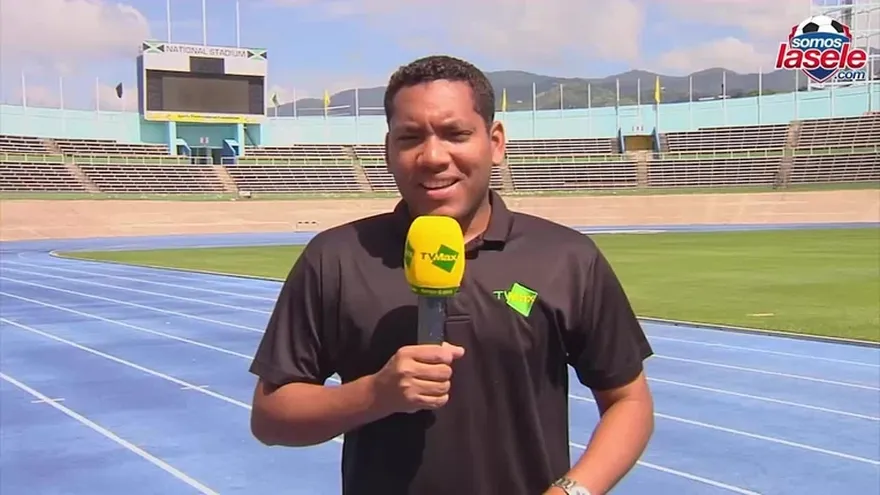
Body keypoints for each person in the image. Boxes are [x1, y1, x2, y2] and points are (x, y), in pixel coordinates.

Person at [248, 54, 655, 495]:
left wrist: (572, 491)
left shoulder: (567, 257)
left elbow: (629, 402)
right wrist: (375, 394)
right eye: (410, 137)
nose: (433, 157)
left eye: (455, 134)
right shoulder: (335, 258)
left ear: (495, 141)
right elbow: (271, 418)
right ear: (388, 149)